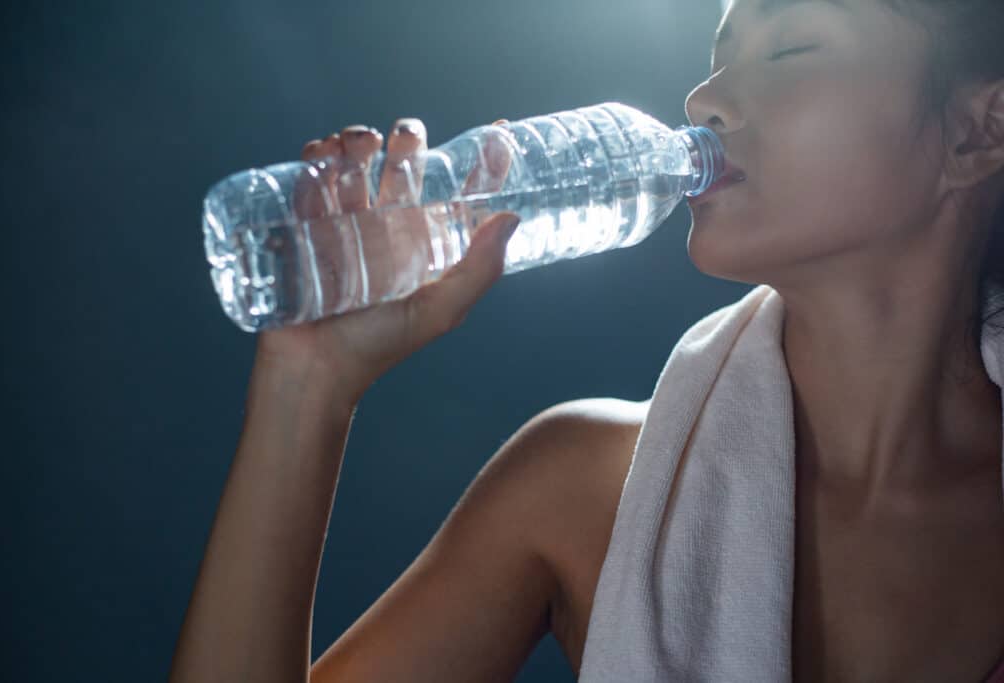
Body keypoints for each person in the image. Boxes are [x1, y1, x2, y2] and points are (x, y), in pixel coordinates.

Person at [169, 0, 1004, 680]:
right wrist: (309, 383)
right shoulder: (584, 486)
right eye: (720, 53)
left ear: (978, 132)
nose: (704, 98)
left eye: (789, 49)